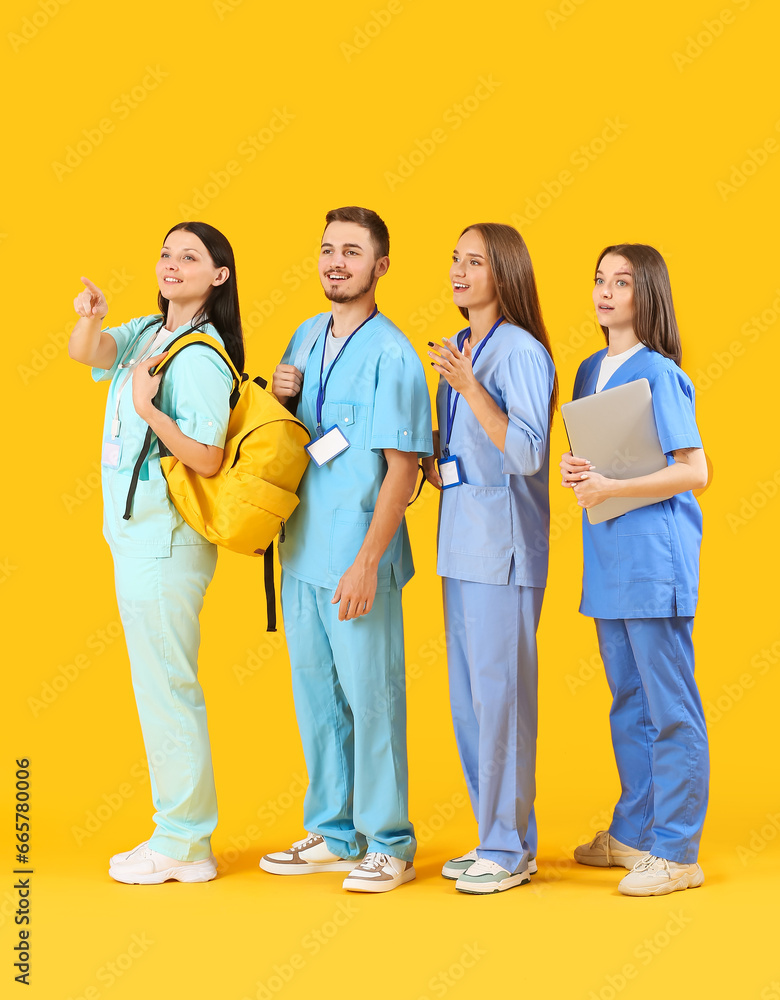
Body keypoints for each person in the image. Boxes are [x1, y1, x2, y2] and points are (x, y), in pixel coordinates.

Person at [259, 206, 433, 893]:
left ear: (379, 267)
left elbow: (404, 468)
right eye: (328, 248)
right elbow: (298, 434)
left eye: (352, 252)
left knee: (373, 697)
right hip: (302, 547)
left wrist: (365, 562)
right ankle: (334, 830)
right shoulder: (304, 336)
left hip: (358, 555)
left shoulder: (393, 354)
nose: (336, 261)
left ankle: (389, 841)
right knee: (318, 699)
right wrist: (280, 393)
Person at [68, 222, 243, 884]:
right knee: (156, 685)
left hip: (166, 540)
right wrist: (92, 318)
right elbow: (87, 353)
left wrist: (149, 410)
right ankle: (174, 832)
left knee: (168, 686)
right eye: (167, 253)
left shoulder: (197, 357)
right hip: (135, 536)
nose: (172, 264)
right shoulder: (149, 333)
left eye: (189, 257)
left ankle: (185, 841)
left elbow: (208, 456)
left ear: (218, 276)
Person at [560, 243, 709, 897]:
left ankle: (676, 851)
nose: (605, 291)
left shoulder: (659, 373)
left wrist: (610, 489)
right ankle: (634, 832)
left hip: (653, 560)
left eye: (621, 281)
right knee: (627, 703)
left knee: (669, 708)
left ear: (646, 292)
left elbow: (693, 470)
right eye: (598, 279)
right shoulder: (590, 368)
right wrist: (581, 477)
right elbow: (600, 464)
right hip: (608, 561)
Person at [425, 223, 556, 895]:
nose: (457, 270)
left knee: (500, 700)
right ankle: (498, 838)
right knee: (470, 704)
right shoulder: (464, 348)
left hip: (502, 551)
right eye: (454, 259)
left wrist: (467, 386)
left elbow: (529, 454)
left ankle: (507, 850)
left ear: (502, 275)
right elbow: (467, 454)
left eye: (473, 261)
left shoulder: (519, 353)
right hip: (461, 544)